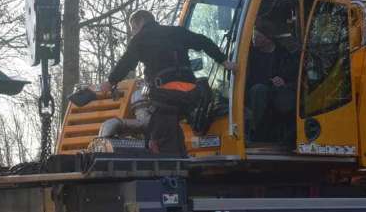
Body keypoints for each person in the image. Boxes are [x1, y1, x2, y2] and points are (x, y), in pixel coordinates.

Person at [100, 10, 236, 155]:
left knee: (159, 137)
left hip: (166, 95)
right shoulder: (177, 32)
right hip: (191, 94)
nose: (133, 32)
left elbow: (125, 63)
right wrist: (224, 61)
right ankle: (182, 156)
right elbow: (204, 41)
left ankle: (171, 168)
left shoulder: (140, 38)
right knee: (172, 129)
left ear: (140, 23)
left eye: (133, 28)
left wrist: (110, 82)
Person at [246, 20, 298, 147]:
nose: (254, 39)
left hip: (279, 92)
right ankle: (258, 135)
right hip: (257, 92)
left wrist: (283, 79)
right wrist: (268, 81)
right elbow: (248, 78)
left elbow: (292, 73)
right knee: (258, 90)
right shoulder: (248, 54)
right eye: (253, 36)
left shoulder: (283, 54)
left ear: (268, 38)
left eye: (257, 36)